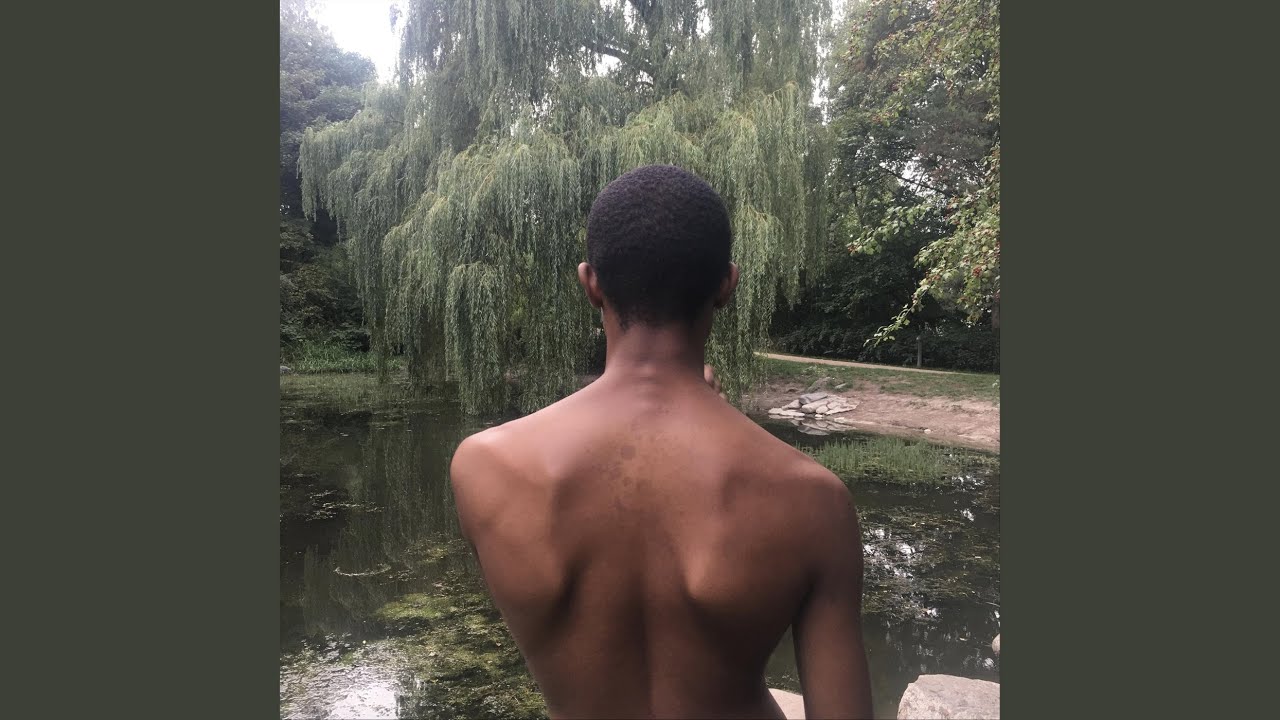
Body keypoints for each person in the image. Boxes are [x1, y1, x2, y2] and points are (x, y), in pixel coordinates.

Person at [450, 165, 872, 719]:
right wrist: (715, 417)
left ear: (590, 283)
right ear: (726, 285)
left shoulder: (483, 467)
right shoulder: (814, 500)